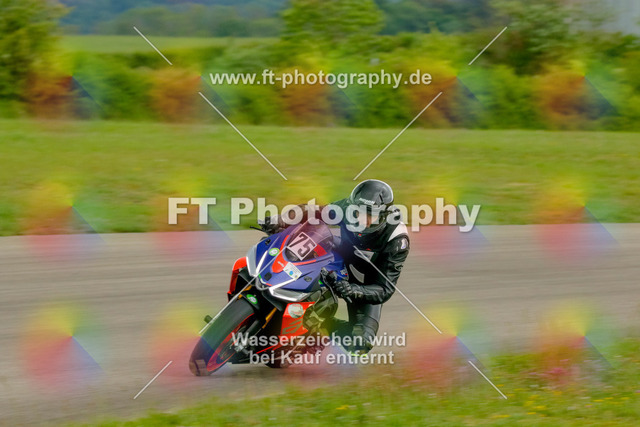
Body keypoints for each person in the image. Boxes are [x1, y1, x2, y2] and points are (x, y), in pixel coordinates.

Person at [261, 179, 410, 354]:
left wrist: (353, 290)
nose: (363, 220)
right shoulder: (346, 207)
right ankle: (275, 284)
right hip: (342, 253)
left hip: (365, 283)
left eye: (370, 215)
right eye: (358, 212)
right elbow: (313, 211)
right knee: (304, 239)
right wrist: (281, 220)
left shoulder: (397, 239)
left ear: (384, 215)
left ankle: (317, 329)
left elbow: (385, 289)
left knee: (359, 344)